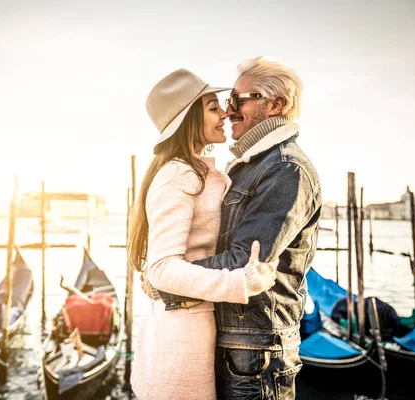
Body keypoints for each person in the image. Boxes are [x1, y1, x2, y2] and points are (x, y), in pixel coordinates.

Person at [146, 56, 322, 400]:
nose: (230, 110)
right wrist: (166, 274)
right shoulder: (250, 165)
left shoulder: (286, 169)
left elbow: (245, 259)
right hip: (236, 344)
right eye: (225, 103)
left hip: (255, 349)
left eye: (238, 100)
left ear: (275, 105)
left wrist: (165, 283)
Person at [128, 68, 279, 400]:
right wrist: (240, 283)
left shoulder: (203, 173)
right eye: (213, 108)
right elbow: (163, 268)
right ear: (188, 120)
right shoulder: (178, 175)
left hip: (200, 328)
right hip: (181, 339)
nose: (225, 113)